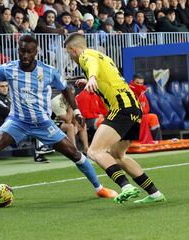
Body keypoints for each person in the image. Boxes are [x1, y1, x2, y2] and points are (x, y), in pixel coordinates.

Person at [0, 35, 117, 203]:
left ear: (36, 52)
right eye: (22, 51)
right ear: (18, 50)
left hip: (43, 124)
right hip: (18, 121)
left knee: (74, 153)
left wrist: (77, 111)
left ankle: (99, 188)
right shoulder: (8, 68)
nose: (25, 55)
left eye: (29, 52)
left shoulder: (48, 71)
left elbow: (66, 90)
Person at [64, 33, 166, 204]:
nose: (71, 57)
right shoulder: (101, 55)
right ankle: (155, 193)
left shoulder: (85, 56)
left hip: (122, 108)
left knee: (94, 151)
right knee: (118, 155)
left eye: (69, 53)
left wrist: (92, 78)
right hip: (134, 109)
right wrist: (89, 80)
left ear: (74, 50)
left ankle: (126, 186)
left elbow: (92, 65)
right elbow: (108, 78)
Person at [129, 73, 163, 141]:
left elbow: (147, 109)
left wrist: (141, 109)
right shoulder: (128, 92)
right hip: (131, 118)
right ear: (133, 82)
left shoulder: (142, 93)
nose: (139, 85)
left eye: (141, 83)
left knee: (153, 117)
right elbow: (132, 109)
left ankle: (157, 142)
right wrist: (140, 109)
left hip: (142, 116)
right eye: (137, 83)